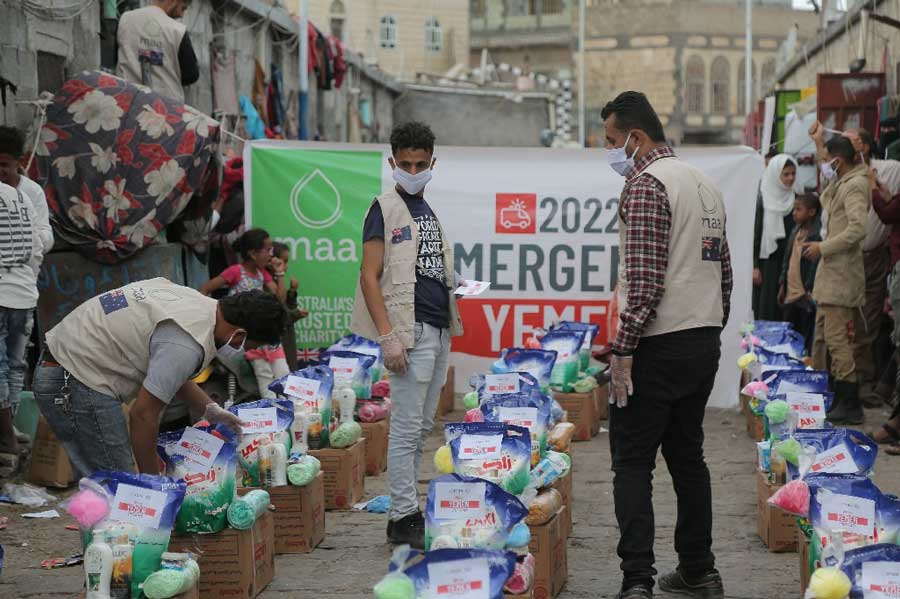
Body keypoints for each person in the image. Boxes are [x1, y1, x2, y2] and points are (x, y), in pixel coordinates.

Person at [602, 91, 731, 599]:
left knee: (632, 463)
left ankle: (637, 581)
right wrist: (705, 330)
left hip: (655, 347)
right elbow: (724, 275)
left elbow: (647, 281)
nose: (611, 151)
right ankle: (699, 569)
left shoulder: (646, 184)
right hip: (701, 342)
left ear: (635, 137)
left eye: (612, 141)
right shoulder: (704, 184)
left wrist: (623, 350)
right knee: (687, 458)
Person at [33, 280, 287, 476]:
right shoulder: (187, 343)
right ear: (240, 335)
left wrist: (210, 409)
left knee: (102, 487)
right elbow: (142, 416)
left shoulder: (195, 302)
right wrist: (152, 485)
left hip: (65, 366)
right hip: (75, 380)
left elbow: (168, 371)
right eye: (250, 345)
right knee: (120, 487)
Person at [351, 121, 464, 548]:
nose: (413, 169)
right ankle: (402, 516)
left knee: (419, 430)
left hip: (437, 328)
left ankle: (407, 511)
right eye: (405, 163)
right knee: (405, 430)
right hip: (410, 333)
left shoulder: (426, 210)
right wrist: (387, 336)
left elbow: (422, 270)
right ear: (392, 162)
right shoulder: (384, 206)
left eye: (421, 163)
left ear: (432, 163)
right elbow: (369, 275)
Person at [807, 125, 870, 425]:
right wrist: (820, 143)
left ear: (840, 161)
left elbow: (858, 229)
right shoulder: (844, 180)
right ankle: (839, 395)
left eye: (830, 159)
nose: (826, 164)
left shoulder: (856, 185)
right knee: (830, 339)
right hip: (832, 276)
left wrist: (823, 247)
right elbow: (828, 189)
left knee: (838, 340)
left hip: (841, 276)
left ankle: (850, 401)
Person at [200, 228, 289, 397]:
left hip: (262, 333)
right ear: (253, 253)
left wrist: (279, 273)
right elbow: (205, 289)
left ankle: (290, 412)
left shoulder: (262, 274)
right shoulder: (235, 271)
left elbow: (280, 300)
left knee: (284, 375)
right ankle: (271, 413)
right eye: (267, 250)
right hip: (246, 337)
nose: (271, 255)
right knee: (265, 379)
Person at [0, 181, 49, 476]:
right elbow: (37, 247)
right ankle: (11, 431)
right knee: (15, 366)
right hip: (23, 293)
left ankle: (6, 438)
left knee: (2, 367)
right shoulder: (20, 196)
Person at [845, 129, 891, 407]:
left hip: (872, 257)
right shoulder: (842, 176)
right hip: (847, 258)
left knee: (868, 319)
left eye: (854, 144)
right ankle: (846, 380)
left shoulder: (884, 172)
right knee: (845, 320)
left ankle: (863, 380)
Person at [116, 0, 200, 103]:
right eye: (183, 8)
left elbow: (117, 57)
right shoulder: (177, 30)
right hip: (164, 108)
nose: (181, 15)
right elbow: (191, 75)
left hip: (127, 101)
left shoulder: (125, 19)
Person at [754, 153, 798, 321]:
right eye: (785, 174)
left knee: (787, 311)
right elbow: (756, 235)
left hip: (791, 263)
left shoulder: (796, 198)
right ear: (775, 174)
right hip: (768, 264)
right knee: (767, 309)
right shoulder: (763, 199)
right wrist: (755, 266)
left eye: (793, 173)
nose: (790, 178)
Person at [778, 193, 822, 352]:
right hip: (791, 292)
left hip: (804, 294)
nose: (794, 213)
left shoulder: (817, 235)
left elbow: (814, 265)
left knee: (805, 338)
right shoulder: (796, 230)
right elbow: (787, 259)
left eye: (798, 209)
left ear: (811, 212)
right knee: (789, 336)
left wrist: (810, 288)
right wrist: (782, 283)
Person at [270, 242, 308, 371]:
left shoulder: (277, 282)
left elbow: (285, 306)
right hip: (276, 340)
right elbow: (278, 311)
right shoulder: (268, 283)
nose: (286, 266)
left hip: (286, 337)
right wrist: (295, 314)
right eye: (284, 261)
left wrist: (292, 292)